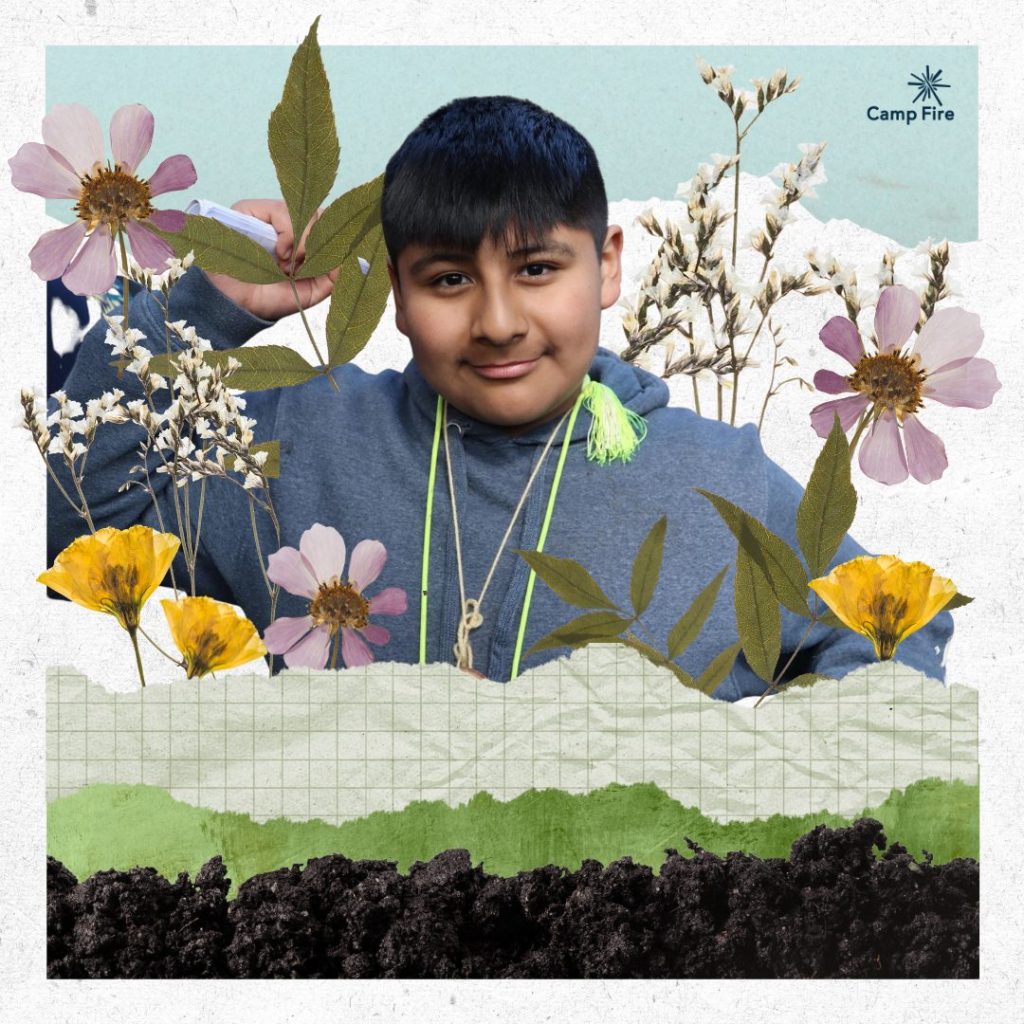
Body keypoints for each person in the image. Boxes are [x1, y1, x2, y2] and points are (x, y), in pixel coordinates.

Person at [48, 95, 952, 698]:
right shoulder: (302, 440)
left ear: (606, 268)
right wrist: (205, 303)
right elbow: (82, 524)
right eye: (446, 280)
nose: (499, 321)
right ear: (394, 294)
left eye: (537, 269)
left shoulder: (719, 478)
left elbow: (894, 635)